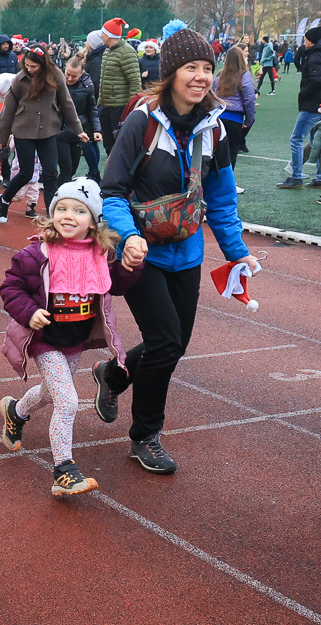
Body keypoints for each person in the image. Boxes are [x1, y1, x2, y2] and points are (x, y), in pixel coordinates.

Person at [97, 24, 258, 473]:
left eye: (208, 67)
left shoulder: (215, 130)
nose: (202, 76)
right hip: (139, 253)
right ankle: (145, 437)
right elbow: (112, 191)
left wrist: (236, 252)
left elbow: (223, 199)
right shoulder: (142, 122)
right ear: (170, 73)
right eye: (191, 67)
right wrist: (128, 237)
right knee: (166, 341)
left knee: (174, 343)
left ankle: (111, 375)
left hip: (186, 252)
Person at [0, 178, 143, 495]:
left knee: (51, 394)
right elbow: (11, 288)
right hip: (45, 340)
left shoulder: (101, 254)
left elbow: (115, 285)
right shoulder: (37, 254)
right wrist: (28, 312)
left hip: (74, 340)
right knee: (67, 401)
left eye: (79, 210)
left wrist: (132, 265)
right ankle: (64, 470)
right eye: (61, 208)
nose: (68, 215)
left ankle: (16, 411)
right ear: (51, 213)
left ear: (93, 221)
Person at [0, 45, 87, 222]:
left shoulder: (56, 75)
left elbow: (67, 104)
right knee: (26, 173)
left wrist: (78, 130)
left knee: (51, 173)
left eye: (33, 66)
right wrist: (1, 138)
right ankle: (5, 199)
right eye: (26, 65)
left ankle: (52, 216)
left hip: (49, 131)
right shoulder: (19, 80)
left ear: (43, 64)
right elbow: (8, 110)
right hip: (24, 131)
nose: (29, 69)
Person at [276, 27, 321, 189]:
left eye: (306, 39)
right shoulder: (314, 53)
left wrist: (303, 94)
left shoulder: (315, 55)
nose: (304, 42)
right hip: (317, 104)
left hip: (312, 105)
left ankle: (296, 176)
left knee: (296, 138)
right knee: (317, 141)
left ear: (312, 40)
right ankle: (319, 178)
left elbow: (316, 80)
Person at [97, 18, 142, 155]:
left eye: (103, 33)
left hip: (119, 108)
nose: (101, 36)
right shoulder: (107, 51)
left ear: (110, 35)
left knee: (120, 146)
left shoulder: (127, 52)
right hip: (105, 106)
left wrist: (130, 108)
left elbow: (135, 81)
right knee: (108, 145)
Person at [57, 53, 102, 185]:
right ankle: (55, 197)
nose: (69, 78)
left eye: (74, 76)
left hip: (78, 131)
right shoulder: (57, 82)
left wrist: (96, 129)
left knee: (72, 169)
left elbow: (92, 109)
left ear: (81, 73)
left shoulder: (87, 85)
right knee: (66, 169)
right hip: (59, 131)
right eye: (67, 74)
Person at [213, 46, 255, 183]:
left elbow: (212, 96)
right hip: (234, 120)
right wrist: (249, 120)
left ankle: (213, 184)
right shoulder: (244, 75)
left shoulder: (219, 75)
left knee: (216, 153)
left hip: (218, 118)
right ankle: (227, 185)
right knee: (231, 153)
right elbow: (249, 99)